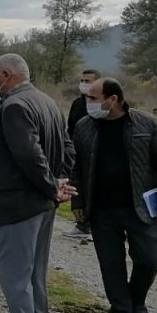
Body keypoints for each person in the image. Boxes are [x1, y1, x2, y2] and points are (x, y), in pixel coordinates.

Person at [0, 54, 76, 313]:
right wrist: (58, 184)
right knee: (34, 273)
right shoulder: (46, 101)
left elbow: (29, 156)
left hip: (16, 204)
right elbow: (67, 147)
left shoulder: (16, 106)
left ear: (6, 74)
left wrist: (50, 184)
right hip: (41, 203)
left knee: (15, 276)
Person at [70, 78, 157, 313]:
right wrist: (78, 201)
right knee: (111, 264)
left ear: (113, 99)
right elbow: (77, 167)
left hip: (139, 207)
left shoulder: (146, 124)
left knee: (149, 258)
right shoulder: (84, 126)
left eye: (93, 98)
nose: (88, 103)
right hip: (102, 209)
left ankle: (136, 299)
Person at [63, 68, 100, 239]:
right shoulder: (77, 104)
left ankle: (95, 225)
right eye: (82, 81)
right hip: (77, 152)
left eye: (88, 81)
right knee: (78, 187)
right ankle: (82, 224)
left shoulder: (100, 103)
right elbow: (70, 127)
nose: (84, 84)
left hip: (96, 152)